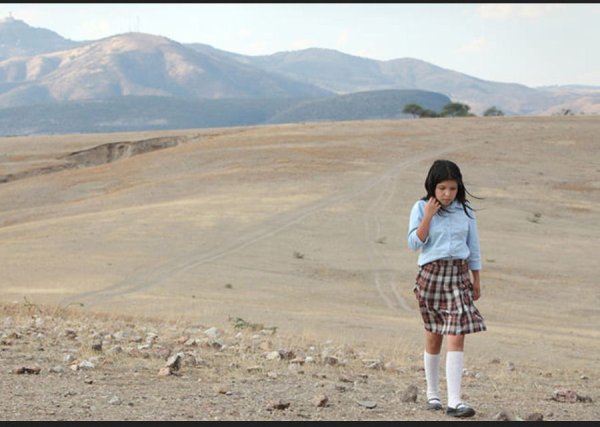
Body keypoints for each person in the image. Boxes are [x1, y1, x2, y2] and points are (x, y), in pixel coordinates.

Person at [407, 159, 486, 418]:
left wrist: (476, 278)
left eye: (452, 188)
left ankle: (455, 401)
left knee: (457, 333)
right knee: (434, 335)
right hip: (431, 276)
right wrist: (428, 216)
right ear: (432, 186)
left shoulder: (466, 210)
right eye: (442, 188)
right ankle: (433, 394)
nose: (447, 194)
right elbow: (414, 243)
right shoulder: (420, 207)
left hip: (458, 276)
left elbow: (473, 246)